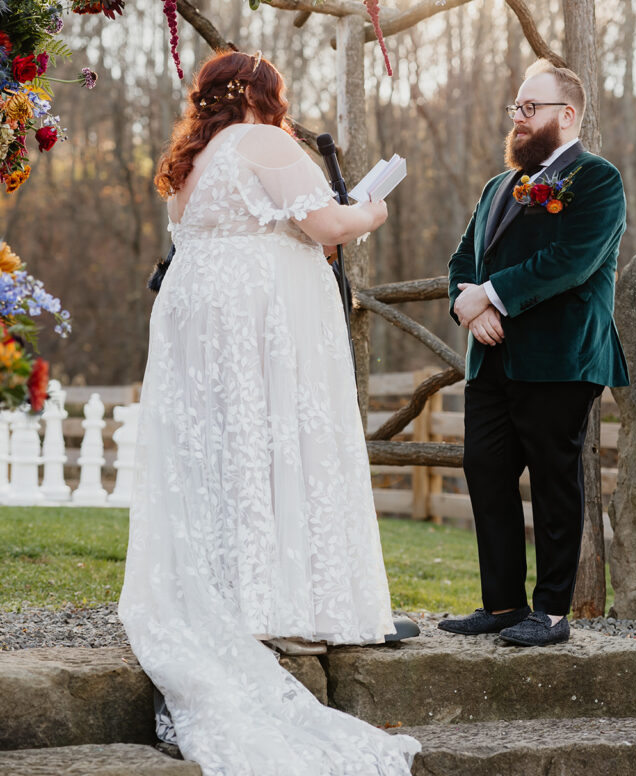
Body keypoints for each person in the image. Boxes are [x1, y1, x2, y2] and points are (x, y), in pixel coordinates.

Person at [118, 50, 420, 775]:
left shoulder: (189, 164)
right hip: (252, 316)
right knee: (270, 441)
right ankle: (277, 594)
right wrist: (371, 209)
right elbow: (323, 224)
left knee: (219, 453)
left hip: (198, 316)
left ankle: (228, 581)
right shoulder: (263, 141)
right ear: (265, 96)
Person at [439, 58, 629, 648]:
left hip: (560, 358)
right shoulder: (498, 186)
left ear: (566, 115)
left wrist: (491, 296)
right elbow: (462, 261)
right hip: (490, 360)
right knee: (486, 472)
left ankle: (550, 612)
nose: (517, 119)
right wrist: (465, 304)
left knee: (553, 479)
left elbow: (572, 260)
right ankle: (501, 605)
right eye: (515, 108)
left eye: (530, 108)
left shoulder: (597, 180)